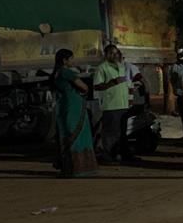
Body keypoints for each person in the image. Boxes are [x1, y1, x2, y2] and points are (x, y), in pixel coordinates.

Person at [51, 49, 97, 177]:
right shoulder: (66, 72)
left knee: (66, 135)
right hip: (74, 106)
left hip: (63, 105)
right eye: (71, 59)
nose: (73, 61)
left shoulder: (56, 73)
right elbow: (84, 87)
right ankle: (79, 168)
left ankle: (67, 168)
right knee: (78, 134)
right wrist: (84, 90)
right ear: (64, 61)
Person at [93, 43, 134, 163]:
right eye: (111, 53)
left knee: (122, 133)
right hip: (110, 106)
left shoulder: (121, 67)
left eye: (116, 53)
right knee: (110, 134)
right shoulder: (102, 68)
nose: (114, 55)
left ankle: (122, 155)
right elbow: (97, 86)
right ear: (106, 55)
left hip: (123, 105)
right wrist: (112, 82)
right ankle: (108, 157)